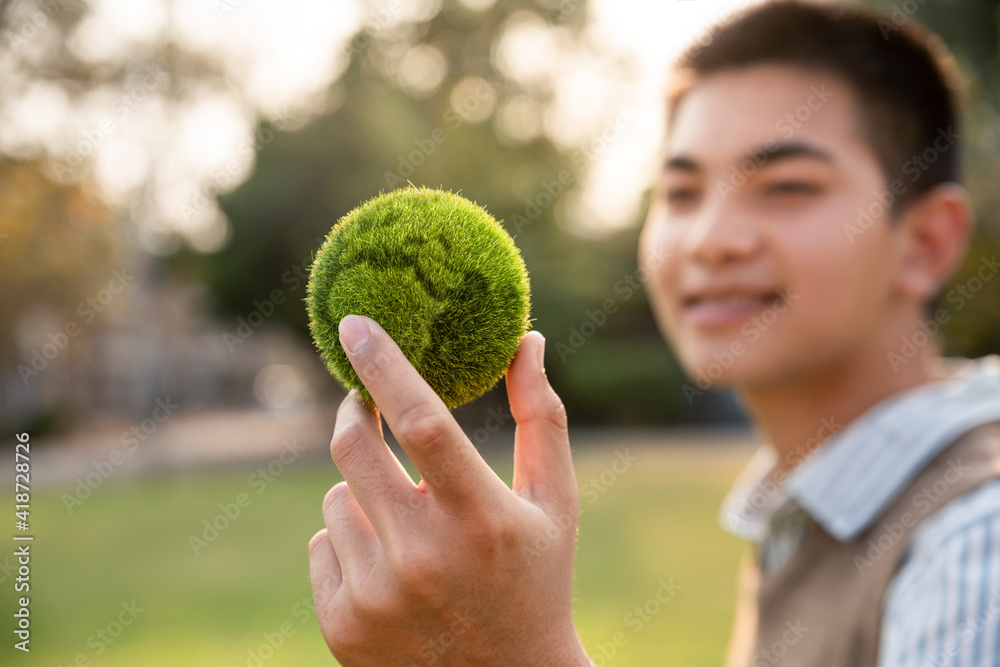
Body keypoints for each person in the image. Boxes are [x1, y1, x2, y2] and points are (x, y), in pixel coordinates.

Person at [307, 1, 1000, 664]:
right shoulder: (806, 507)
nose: (709, 239)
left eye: (787, 185)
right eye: (681, 192)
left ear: (926, 243)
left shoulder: (977, 540)